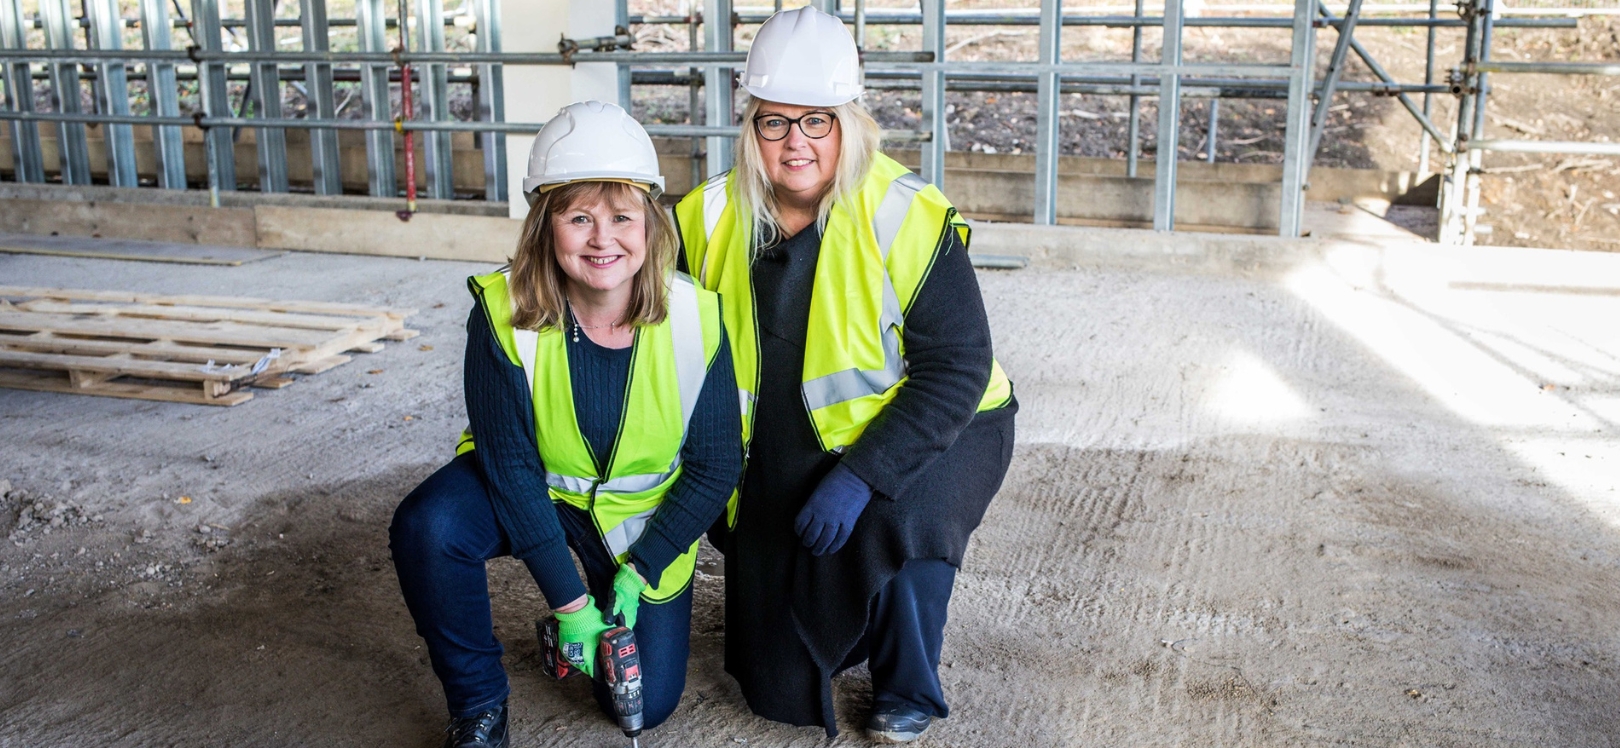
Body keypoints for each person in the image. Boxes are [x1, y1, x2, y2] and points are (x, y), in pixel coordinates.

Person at [672, 7, 1018, 744]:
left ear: (848, 124)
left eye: (816, 121)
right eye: (775, 122)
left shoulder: (903, 215)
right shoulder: (705, 218)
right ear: (751, 127)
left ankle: (908, 686)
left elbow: (957, 369)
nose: (795, 142)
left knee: (901, 517)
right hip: (788, 438)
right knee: (766, 673)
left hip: (942, 428)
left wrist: (863, 474)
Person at [390, 100, 742, 748]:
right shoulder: (501, 312)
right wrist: (570, 602)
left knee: (644, 705)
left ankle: (606, 597)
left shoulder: (696, 316)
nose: (602, 238)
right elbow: (513, 468)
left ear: (651, 224)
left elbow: (718, 462)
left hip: (638, 519)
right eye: (579, 217)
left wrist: (643, 567)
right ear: (546, 227)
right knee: (430, 527)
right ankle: (478, 706)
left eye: (621, 217)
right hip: (538, 492)